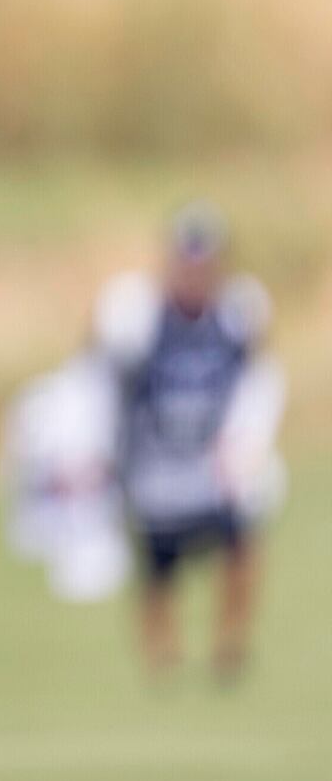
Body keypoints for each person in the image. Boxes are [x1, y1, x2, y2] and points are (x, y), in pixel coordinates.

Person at [92, 204, 285, 681]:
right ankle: (162, 657)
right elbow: (106, 383)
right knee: (158, 567)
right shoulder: (137, 316)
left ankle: (230, 650)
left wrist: (247, 442)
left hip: (214, 464)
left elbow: (259, 378)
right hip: (157, 467)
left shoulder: (239, 313)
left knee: (242, 545)